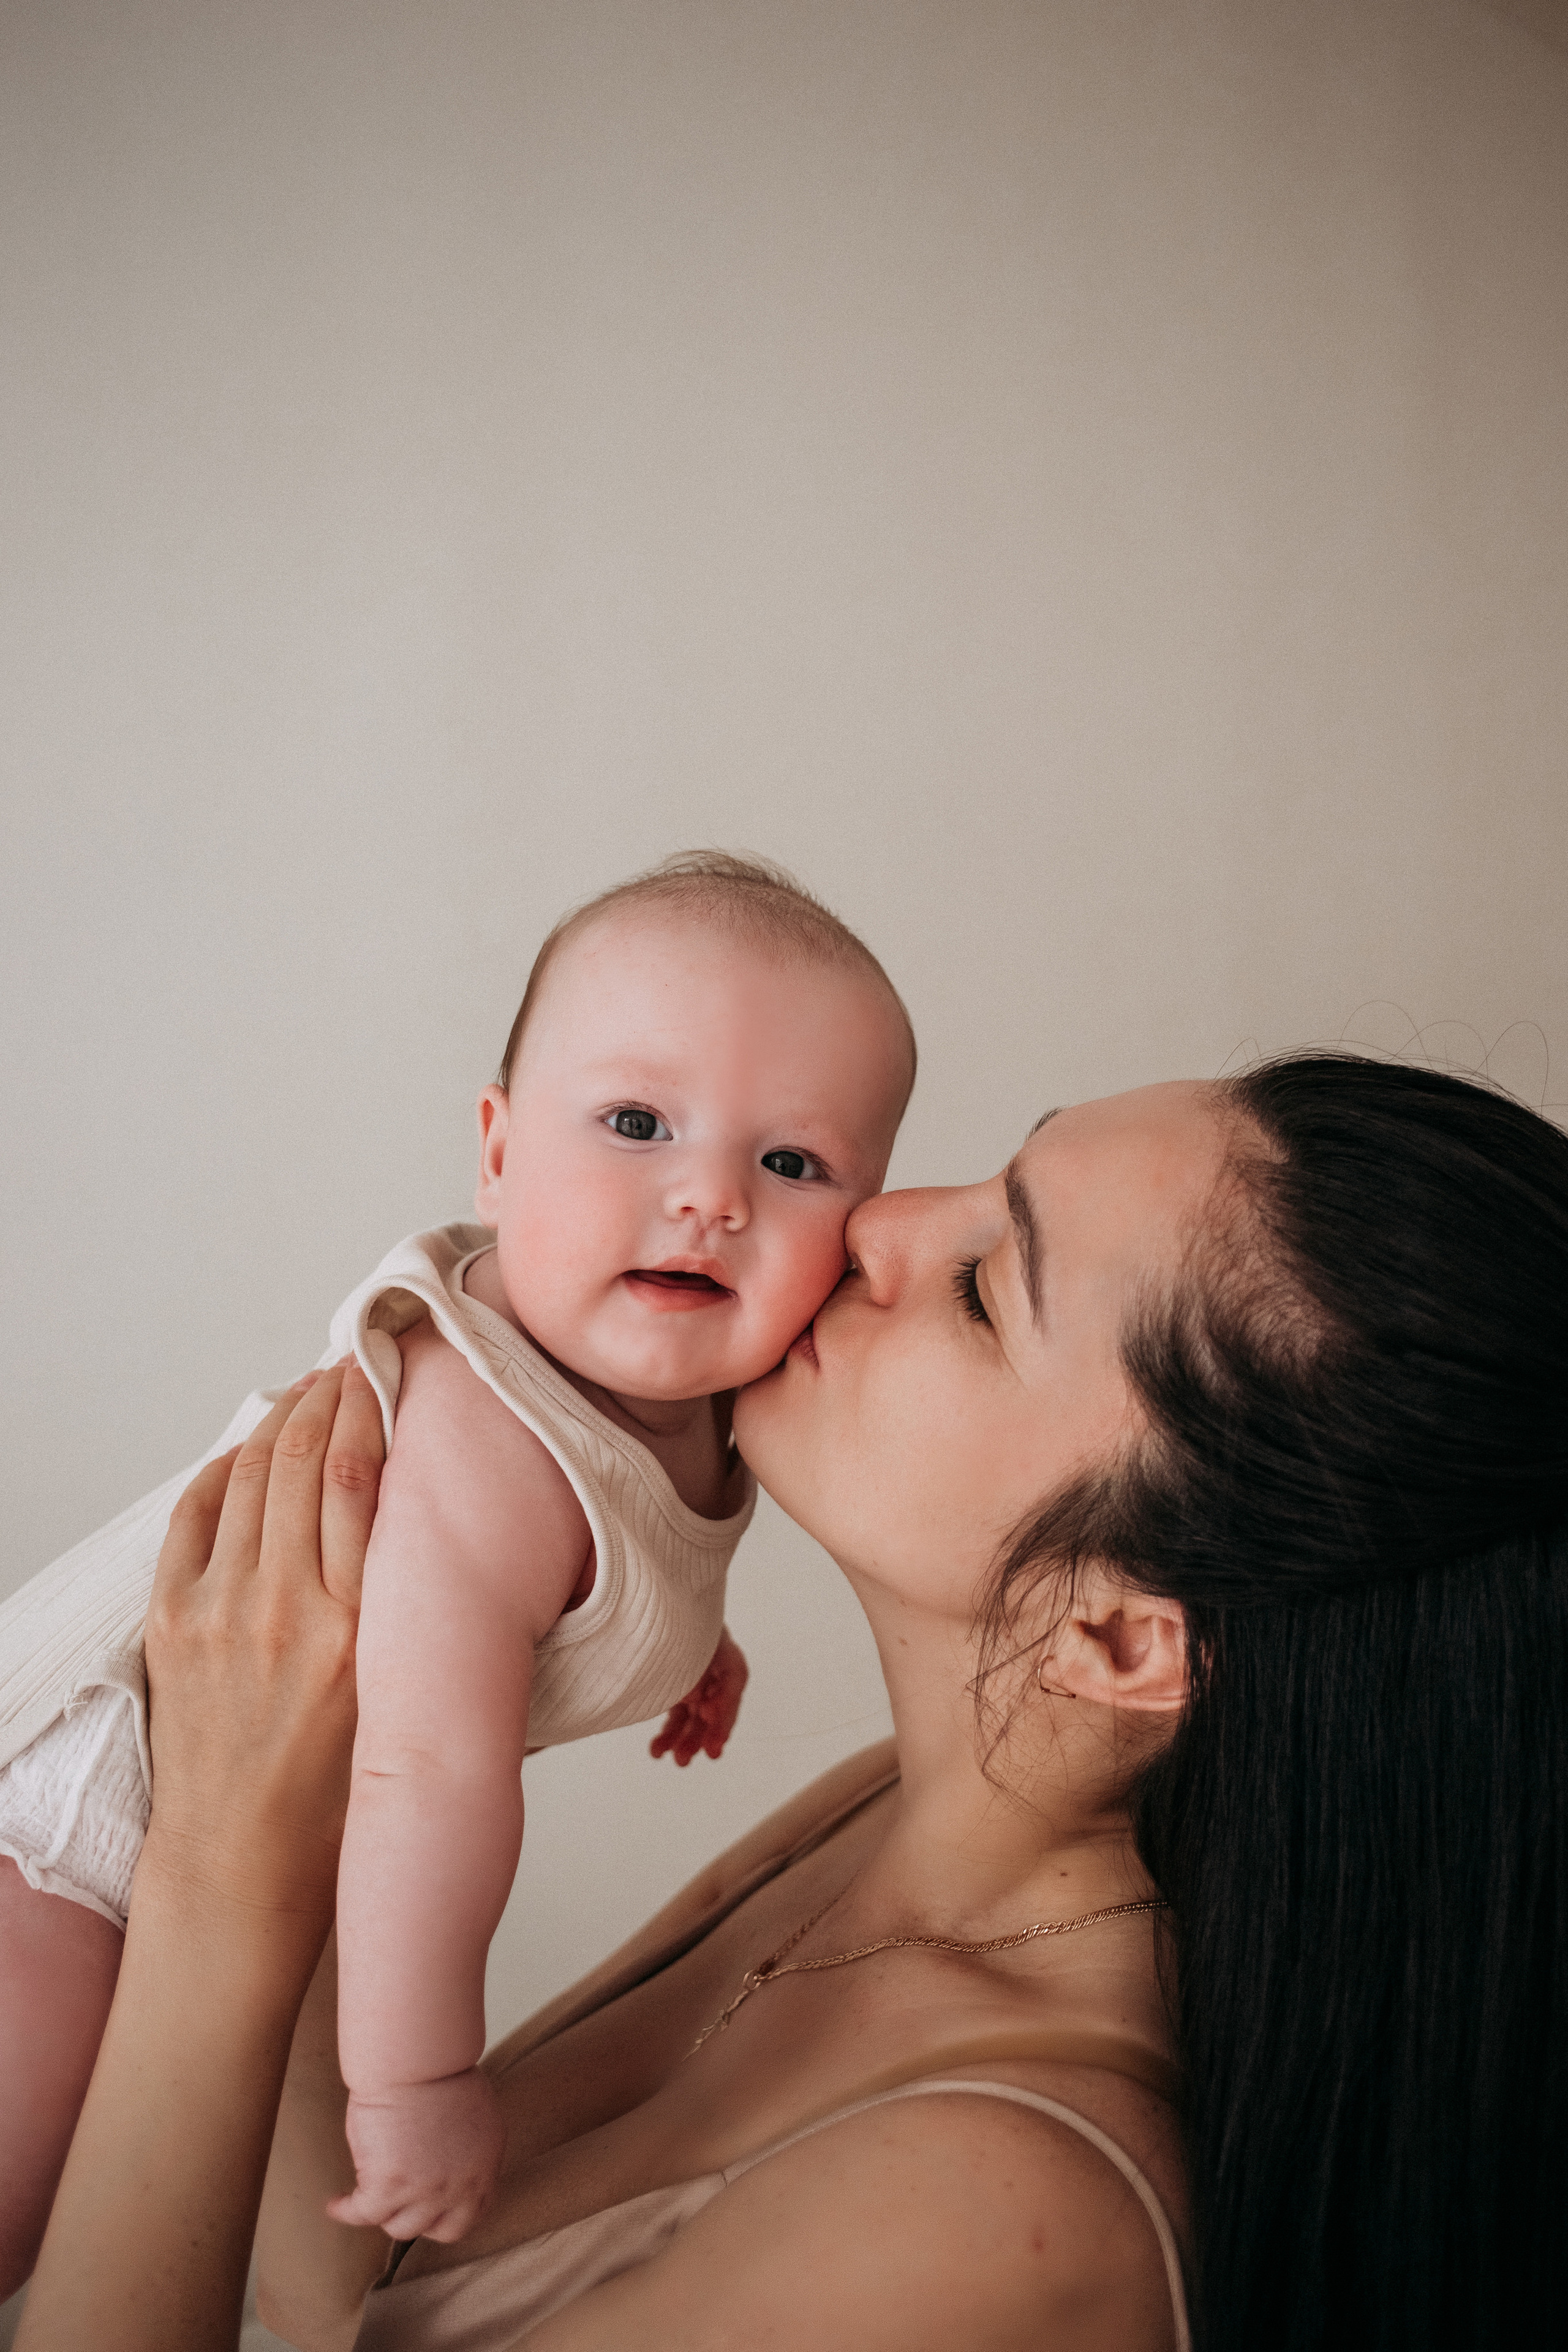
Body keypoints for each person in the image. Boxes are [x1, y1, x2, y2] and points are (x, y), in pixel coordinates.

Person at [20, 1054, 1568, 2352]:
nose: (874, 1223)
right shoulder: (890, 1808)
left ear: (1116, 1639)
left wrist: (222, 1873)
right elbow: (336, 2284)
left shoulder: (997, 2215)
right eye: (991, 1176)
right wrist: (353, 1706)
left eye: (983, 1289)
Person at [0, 850, 918, 2285]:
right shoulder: (488, 1433)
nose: (708, 1197)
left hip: (230, 1819)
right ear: (496, 1152)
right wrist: (416, 2080)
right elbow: (426, 1770)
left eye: (790, 1164)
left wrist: (690, 1641)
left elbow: (616, 1553)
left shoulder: (681, 1398)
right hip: (89, 1807)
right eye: (635, 1123)